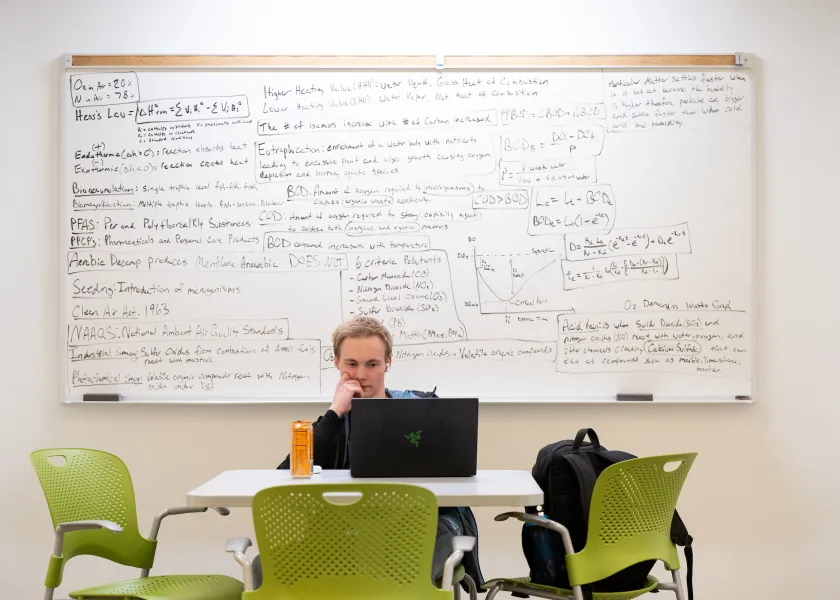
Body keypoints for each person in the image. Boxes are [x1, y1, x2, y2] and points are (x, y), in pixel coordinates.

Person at [277, 315, 424, 470]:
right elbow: (287, 473)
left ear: (388, 363)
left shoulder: (416, 408)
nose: (361, 375)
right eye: (352, 364)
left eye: (372, 364)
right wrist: (335, 412)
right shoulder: (333, 423)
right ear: (336, 362)